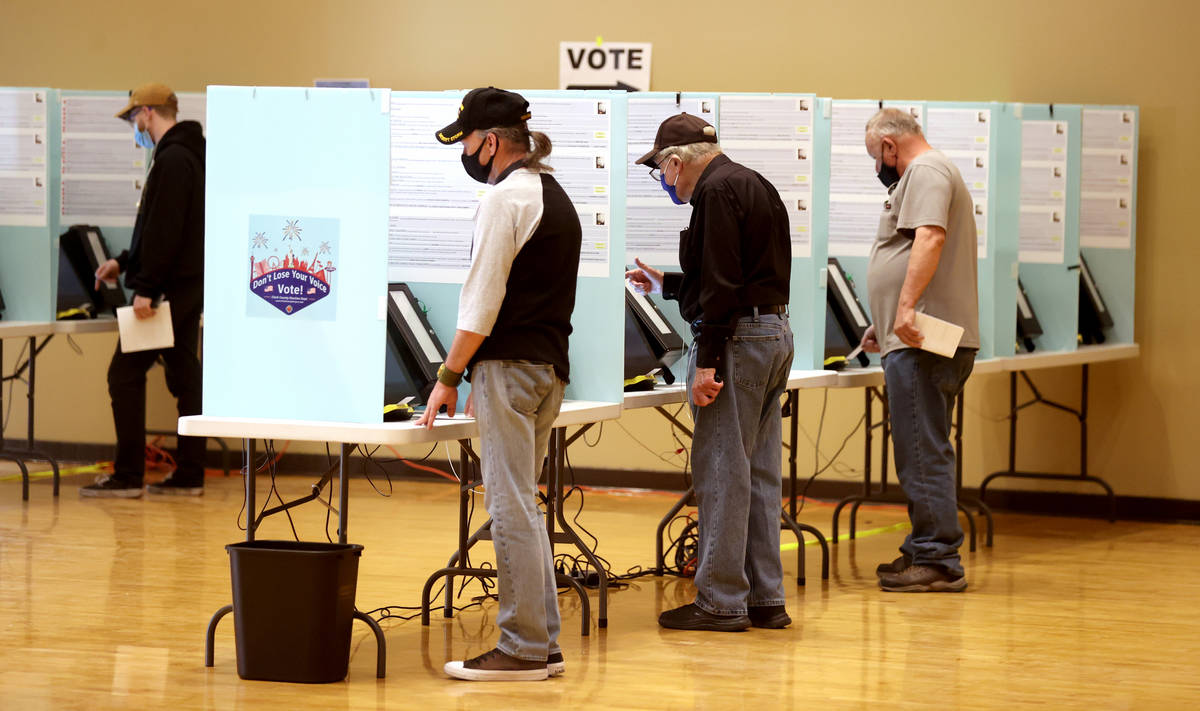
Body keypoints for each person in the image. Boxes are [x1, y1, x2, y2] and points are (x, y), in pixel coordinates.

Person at [418, 87, 581, 681]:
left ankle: (520, 647)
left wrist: (447, 376)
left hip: (507, 370)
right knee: (526, 506)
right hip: (546, 370)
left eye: (466, 139)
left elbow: (480, 304)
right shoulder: (552, 194)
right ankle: (544, 643)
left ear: (490, 141)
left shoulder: (504, 200)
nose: (464, 151)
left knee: (508, 506)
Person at [627, 114, 793, 631]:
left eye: (661, 171)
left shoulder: (715, 194)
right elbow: (745, 274)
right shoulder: (753, 182)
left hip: (736, 341)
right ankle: (765, 599)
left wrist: (708, 361)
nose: (665, 182)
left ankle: (720, 600)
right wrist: (672, 283)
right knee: (760, 473)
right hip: (773, 333)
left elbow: (722, 287)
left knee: (723, 471)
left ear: (675, 162)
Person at [859, 108, 980, 592]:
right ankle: (921, 547)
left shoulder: (926, 171)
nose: (879, 167)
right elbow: (912, 251)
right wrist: (885, 320)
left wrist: (904, 311)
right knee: (923, 444)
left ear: (890, 145)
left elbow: (929, 239)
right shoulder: (935, 171)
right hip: (917, 334)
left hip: (922, 339)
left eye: (876, 156)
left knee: (921, 449)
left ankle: (937, 559)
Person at [80, 83, 206, 498]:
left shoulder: (172, 159)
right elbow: (161, 230)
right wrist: (125, 261)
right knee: (186, 377)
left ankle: (129, 476)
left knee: (125, 375)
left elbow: (165, 231)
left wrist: (146, 288)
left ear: (148, 113)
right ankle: (190, 473)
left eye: (134, 117)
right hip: (186, 289)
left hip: (166, 294)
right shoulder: (191, 155)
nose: (134, 126)